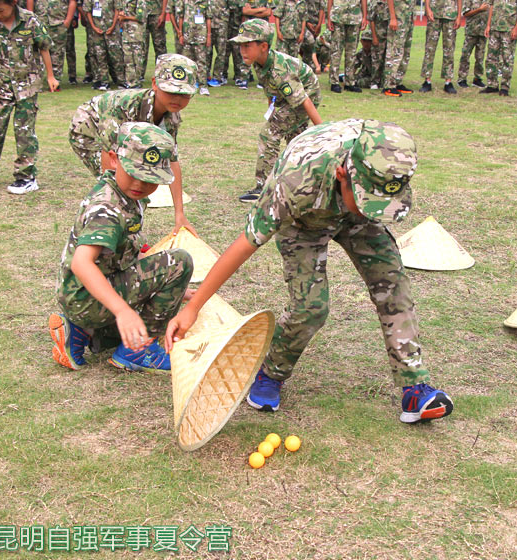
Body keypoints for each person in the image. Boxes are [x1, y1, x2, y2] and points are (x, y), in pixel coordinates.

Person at [164, 118, 454, 424]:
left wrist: (367, 205)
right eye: (371, 200)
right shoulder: (294, 181)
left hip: (354, 215)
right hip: (303, 221)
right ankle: (270, 373)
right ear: (343, 174)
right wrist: (194, 307)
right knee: (310, 308)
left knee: (393, 283)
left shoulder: (385, 156)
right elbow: (245, 244)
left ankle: (414, 388)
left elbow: (370, 202)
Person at [51, 122, 194, 373]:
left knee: (155, 264)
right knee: (179, 262)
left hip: (81, 295)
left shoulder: (122, 193)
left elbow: (122, 252)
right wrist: (123, 311)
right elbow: (81, 263)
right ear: (115, 160)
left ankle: (82, 330)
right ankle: (138, 349)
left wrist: (170, 290)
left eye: (150, 180)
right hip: (87, 296)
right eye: (134, 174)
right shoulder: (107, 208)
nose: (140, 184)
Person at [69, 53, 198, 235]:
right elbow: (110, 164)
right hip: (89, 131)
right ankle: (102, 229)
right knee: (120, 185)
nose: (177, 99)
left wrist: (179, 214)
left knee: (139, 183)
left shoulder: (172, 116)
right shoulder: (123, 107)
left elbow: (171, 161)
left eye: (185, 94)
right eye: (170, 91)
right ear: (154, 83)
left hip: (117, 136)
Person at [231, 19, 322, 202]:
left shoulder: (279, 70)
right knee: (295, 139)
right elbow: (270, 91)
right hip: (287, 99)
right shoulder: (259, 62)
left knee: (269, 133)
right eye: (240, 46)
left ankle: (264, 188)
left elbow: (305, 101)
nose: (242, 51)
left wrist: (324, 131)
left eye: (247, 45)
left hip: (307, 96)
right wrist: (272, 112)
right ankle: (308, 183)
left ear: (263, 46)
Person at [0, 0, 58, 195]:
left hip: (27, 85)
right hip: (1, 84)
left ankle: (26, 177)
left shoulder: (29, 20)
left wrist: (51, 76)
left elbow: (44, 47)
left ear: (13, 3)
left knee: (25, 132)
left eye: (0, 10)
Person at [481, 0, 517, 96]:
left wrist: (516, 28)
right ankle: (492, 85)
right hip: (494, 28)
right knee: (491, 58)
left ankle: (505, 87)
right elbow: (491, 6)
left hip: (508, 29)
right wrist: (488, 25)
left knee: (507, 59)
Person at [418, 0, 461, 94]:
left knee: (449, 50)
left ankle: (448, 82)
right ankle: (427, 81)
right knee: (430, 49)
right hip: (434, 14)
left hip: (450, 15)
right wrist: (427, 8)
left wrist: (458, 16)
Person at [326, 0, 367, 93]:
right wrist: (329, 18)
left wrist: (365, 17)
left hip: (354, 17)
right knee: (336, 51)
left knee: (351, 52)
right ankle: (334, 82)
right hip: (338, 17)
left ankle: (350, 82)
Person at [172, 0, 211, 95]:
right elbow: (181, 16)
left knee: (201, 61)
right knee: (186, 62)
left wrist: (209, 35)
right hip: (187, 35)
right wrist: (180, 33)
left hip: (200, 35)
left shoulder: (205, 1)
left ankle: (203, 86)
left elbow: (208, 18)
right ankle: (187, 85)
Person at [381, 0, 415, 96]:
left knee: (405, 52)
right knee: (394, 51)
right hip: (398, 17)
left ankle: (397, 81)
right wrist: (392, 17)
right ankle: (389, 85)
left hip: (408, 17)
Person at [456, 0, 489, 88]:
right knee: (465, 55)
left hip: (483, 31)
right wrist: (480, 9)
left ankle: (478, 79)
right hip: (471, 31)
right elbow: (466, 14)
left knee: (480, 56)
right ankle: (462, 79)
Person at [119, 0, 148, 89]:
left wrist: (125, 18)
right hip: (126, 34)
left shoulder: (140, 1)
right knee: (128, 60)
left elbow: (141, 17)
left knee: (137, 59)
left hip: (136, 34)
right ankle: (129, 81)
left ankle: (136, 82)